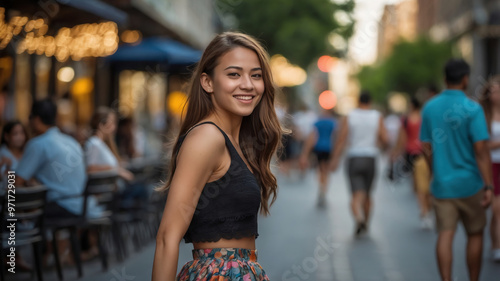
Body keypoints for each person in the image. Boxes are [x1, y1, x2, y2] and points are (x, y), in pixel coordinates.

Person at [152, 32, 282, 281]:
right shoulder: (206, 138)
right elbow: (167, 237)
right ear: (208, 82)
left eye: (256, 75)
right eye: (234, 74)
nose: (248, 84)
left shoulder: (234, 140)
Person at [420, 59, 492, 281]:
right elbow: (480, 150)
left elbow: (425, 146)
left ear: (444, 79)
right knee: (476, 233)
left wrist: (434, 173)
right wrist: (488, 185)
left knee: (445, 235)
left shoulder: (430, 107)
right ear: (465, 79)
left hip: (443, 185)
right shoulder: (473, 108)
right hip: (470, 184)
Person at [329, 91, 389, 236]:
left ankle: (358, 218)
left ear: (358, 101)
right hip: (371, 158)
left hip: (354, 157)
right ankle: (366, 223)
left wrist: (335, 158)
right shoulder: (377, 116)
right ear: (370, 101)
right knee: (368, 195)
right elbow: (385, 138)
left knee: (356, 195)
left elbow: (342, 138)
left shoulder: (350, 116)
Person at [390, 97, 432, 229]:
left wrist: (395, 152)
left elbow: (402, 138)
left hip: (410, 154)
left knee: (418, 186)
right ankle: (426, 211)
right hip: (423, 153)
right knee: (425, 183)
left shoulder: (406, 119)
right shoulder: (424, 118)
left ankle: (424, 212)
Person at [479, 75, 500, 262]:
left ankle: (496, 243)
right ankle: (496, 245)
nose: (497, 94)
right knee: (496, 209)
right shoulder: (483, 115)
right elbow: (482, 146)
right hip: (491, 164)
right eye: (493, 90)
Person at [299, 109, 336, 208]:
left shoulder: (318, 122)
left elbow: (312, 137)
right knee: (326, 171)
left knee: (320, 170)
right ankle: (323, 189)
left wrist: (305, 154)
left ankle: (321, 187)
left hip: (319, 148)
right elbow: (335, 137)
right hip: (329, 148)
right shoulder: (333, 123)